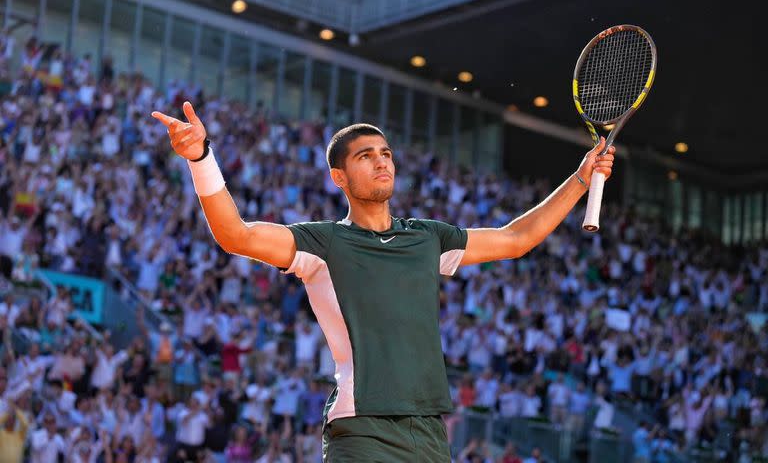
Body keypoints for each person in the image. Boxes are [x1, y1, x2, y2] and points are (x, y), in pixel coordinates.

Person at [151, 102, 616, 462]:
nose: (382, 162)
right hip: (363, 428)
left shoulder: (427, 237)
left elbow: (516, 238)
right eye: (366, 156)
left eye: (386, 153)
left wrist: (579, 179)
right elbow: (236, 235)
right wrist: (200, 158)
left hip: (429, 430)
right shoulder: (323, 244)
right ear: (339, 176)